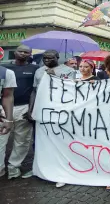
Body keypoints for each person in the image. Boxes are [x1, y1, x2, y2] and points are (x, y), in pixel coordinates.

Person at [27, 50, 76, 187]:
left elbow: (72, 89)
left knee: (60, 141)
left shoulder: (68, 70)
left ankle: (62, 172)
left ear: (58, 58)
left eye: (50, 58)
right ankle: (41, 168)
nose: (47, 60)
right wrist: (31, 109)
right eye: (44, 58)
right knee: (40, 141)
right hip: (42, 110)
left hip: (60, 111)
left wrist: (55, 77)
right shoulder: (39, 71)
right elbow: (34, 91)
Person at [0, 46, 37, 179]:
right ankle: (1, 167)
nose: (22, 53)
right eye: (20, 51)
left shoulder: (35, 69)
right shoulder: (5, 68)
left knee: (22, 140)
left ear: (30, 54)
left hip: (24, 108)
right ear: (14, 53)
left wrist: (32, 110)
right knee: (1, 139)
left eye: (26, 52)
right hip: (3, 110)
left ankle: (14, 166)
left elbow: (36, 90)